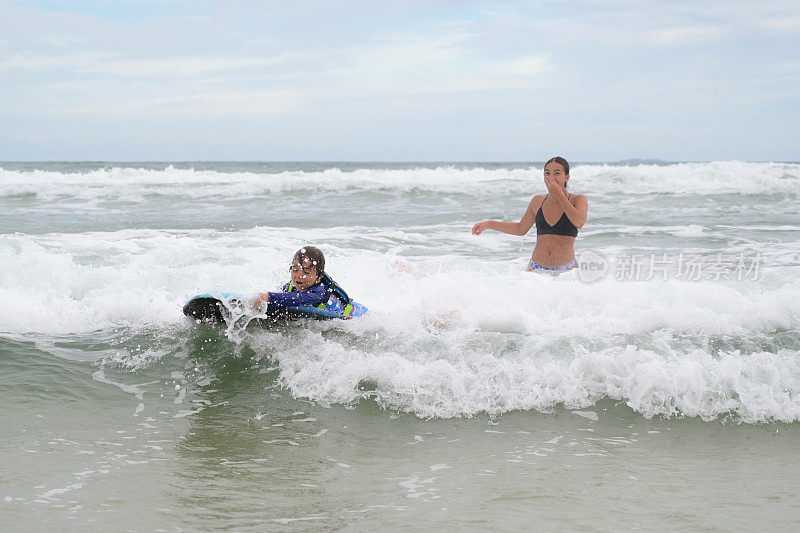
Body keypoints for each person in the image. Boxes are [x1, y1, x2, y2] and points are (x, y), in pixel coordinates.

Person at [471, 156, 588, 272]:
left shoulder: (577, 200)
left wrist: (558, 194)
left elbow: (579, 222)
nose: (551, 177)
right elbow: (520, 229)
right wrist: (489, 224)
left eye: (557, 173)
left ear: (567, 177)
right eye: (547, 173)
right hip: (535, 271)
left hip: (567, 271)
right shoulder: (537, 201)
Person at [252, 246, 357, 315]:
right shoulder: (292, 285)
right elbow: (282, 296)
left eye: (306, 272)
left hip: (354, 315)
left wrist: (268, 297)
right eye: (295, 269)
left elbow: (300, 299)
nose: (299, 275)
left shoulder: (320, 291)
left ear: (319, 276)